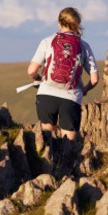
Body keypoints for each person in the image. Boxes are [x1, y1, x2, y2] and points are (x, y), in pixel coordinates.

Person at [27, 7, 98, 142]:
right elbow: (94, 79)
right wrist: (84, 90)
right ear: (78, 24)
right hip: (71, 97)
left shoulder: (48, 41)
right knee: (68, 146)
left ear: (59, 23)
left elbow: (31, 71)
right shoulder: (84, 46)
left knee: (46, 142)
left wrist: (38, 79)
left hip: (46, 93)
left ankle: (48, 163)